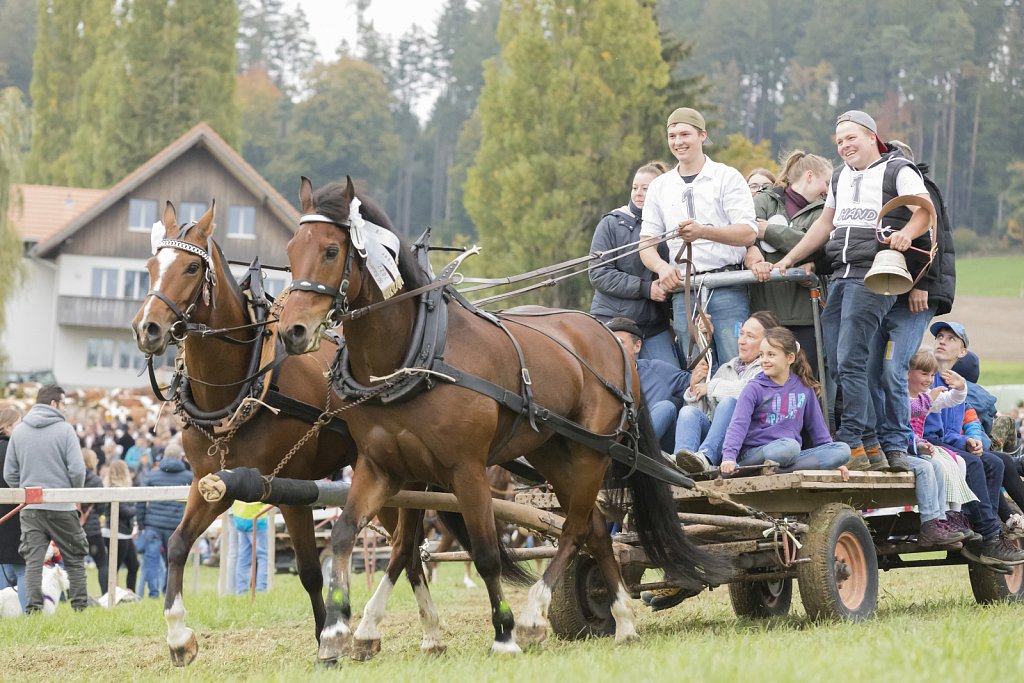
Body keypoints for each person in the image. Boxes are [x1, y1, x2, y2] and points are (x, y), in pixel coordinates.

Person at [774, 111, 934, 469]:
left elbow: (925, 210)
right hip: (842, 274)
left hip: (875, 274)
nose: (845, 146)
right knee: (834, 358)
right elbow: (824, 224)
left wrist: (907, 233)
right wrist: (789, 259)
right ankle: (870, 443)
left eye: (851, 138)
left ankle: (852, 440)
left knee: (851, 358)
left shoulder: (897, 170)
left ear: (872, 137)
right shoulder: (841, 178)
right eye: (839, 141)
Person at [640, 107, 758, 370]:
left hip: (728, 285)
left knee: (736, 364)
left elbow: (748, 231)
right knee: (696, 369)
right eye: (672, 136)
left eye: (685, 134)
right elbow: (646, 242)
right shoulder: (660, 186)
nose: (678, 142)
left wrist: (704, 231)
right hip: (685, 291)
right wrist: (662, 267)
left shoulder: (726, 177)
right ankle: (700, 413)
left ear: (702, 135)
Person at [861, 140, 954, 472]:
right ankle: (875, 442)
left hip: (913, 296)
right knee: (870, 368)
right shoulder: (872, 191)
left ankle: (898, 441)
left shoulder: (921, 189)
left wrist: (922, 285)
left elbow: (935, 239)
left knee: (892, 367)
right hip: (881, 293)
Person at [924, 322, 1024, 565]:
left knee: (997, 463)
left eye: (950, 338)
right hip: (927, 443)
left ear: (962, 352)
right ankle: (989, 536)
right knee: (983, 463)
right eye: (939, 336)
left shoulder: (957, 384)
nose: (942, 340)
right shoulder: (930, 378)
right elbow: (934, 431)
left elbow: (956, 426)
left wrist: (971, 440)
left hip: (946, 441)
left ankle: (984, 531)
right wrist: (966, 441)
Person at [719, 327, 852, 478]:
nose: (764, 360)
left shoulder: (804, 389)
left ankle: (779, 471)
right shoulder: (753, 388)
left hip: (791, 456)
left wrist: (835, 460)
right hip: (758, 453)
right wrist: (729, 457)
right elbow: (738, 425)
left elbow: (819, 431)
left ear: (790, 358)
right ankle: (741, 469)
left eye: (771, 355)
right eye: (761, 355)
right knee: (789, 447)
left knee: (842, 450)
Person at [2, 385, 90, 612]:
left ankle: (33, 611)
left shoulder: (19, 431)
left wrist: (24, 493)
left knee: (32, 562)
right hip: (62, 507)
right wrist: (73, 493)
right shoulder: (65, 430)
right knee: (74, 559)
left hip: (31, 508)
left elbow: (9, 473)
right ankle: (80, 608)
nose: (65, 409)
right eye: (64, 404)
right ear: (54, 404)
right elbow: (78, 470)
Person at [747, 150, 834, 369]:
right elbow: (746, 235)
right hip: (766, 311)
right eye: (827, 182)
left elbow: (819, 247)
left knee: (806, 379)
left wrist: (769, 231)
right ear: (810, 176)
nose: (828, 190)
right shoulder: (765, 201)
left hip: (806, 315)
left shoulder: (825, 210)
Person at [590, 161, 678, 367]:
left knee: (670, 377)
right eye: (635, 187)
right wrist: (645, 288)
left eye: (646, 189)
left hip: (654, 326)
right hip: (613, 321)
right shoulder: (611, 223)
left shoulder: (671, 226)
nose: (638, 193)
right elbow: (599, 273)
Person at [674, 311, 778, 473]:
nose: (742, 341)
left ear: (766, 343)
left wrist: (711, 387)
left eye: (750, 336)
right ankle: (681, 462)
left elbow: (746, 392)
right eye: (741, 334)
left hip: (745, 443)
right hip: (718, 440)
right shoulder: (726, 368)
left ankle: (706, 458)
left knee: (729, 402)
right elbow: (705, 412)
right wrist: (695, 390)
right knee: (688, 412)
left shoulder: (767, 369)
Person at [907, 350, 980, 542]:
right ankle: (933, 520)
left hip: (918, 446)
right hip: (907, 447)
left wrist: (961, 387)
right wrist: (919, 444)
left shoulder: (925, 397)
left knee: (956, 462)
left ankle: (949, 517)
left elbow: (952, 400)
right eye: (924, 374)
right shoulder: (903, 398)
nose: (930, 379)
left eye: (932, 375)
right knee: (933, 466)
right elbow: (906, 421)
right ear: (907, 373)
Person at [605, 317, 699, 453]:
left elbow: (696, 382)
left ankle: (632, 449)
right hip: (613, 442)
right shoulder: (599, 376)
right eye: (609, 343)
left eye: (620, 342)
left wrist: (703, 340)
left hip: (654, 448)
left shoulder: (657, 370)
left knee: (666, 407)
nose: (613, 348)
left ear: (637, 346)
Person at [136, 442, 192, 595]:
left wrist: (141, 523)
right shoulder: (188, 476)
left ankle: (153, 593)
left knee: (151, 561)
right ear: (180, 457)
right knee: (173, 561)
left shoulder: (152, 475)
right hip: (176, 525)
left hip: (153, 524)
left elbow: (140, 500)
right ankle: (169, 592)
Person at [0, 408, 27, 613]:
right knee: (22, 568)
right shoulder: (15, 450)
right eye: (19, 423)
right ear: (7, 427)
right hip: (15, 513)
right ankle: (27, 613)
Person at [102, 460, 139, 594]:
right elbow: (125, 512)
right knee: (114, 568)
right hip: (116, 533)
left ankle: (131, 593)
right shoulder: (113, 489)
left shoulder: (120, 489)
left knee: (134, 565)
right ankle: (109, 595)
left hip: (124, 533)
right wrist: (137, 507)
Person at [80, 448, 109, 596]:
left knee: (72, 564)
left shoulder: (71, 478)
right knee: (102, 563)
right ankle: (105, 595)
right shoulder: (96, 480)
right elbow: (101, 507)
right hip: (92, 529)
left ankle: (75, 596)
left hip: (74, 527)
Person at [233, 500, 269, 594]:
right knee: (263, 557)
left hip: (240, 519)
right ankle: (261, 589)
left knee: (243, 559)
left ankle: (241, 591)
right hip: (257, 519)